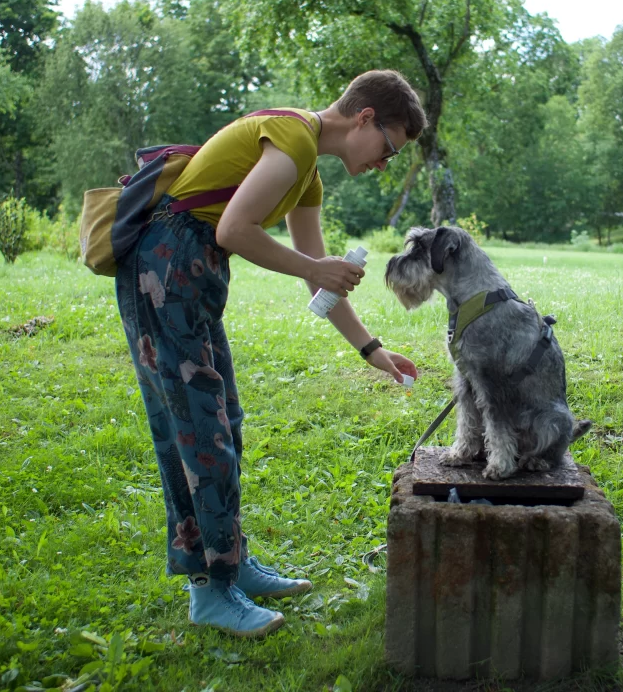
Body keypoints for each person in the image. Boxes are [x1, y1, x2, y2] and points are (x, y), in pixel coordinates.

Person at [115, 70, 427, 637]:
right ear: (364, 118)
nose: (383, 164)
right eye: (388, 148)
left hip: (192, 276)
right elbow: (236, 228)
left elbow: (321, 287)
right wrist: (313, 267)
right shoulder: (294, 139)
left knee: (223, 424)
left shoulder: (306, 175)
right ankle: (210, 591)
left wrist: (373, 350)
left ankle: (231, 566)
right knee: (197, 432)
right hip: (164, 272)